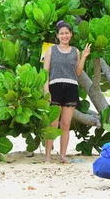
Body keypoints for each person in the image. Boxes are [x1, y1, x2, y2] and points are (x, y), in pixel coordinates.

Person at [43, 20, 91, 163]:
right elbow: (45, 72)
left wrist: (83, 57)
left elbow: (77, 71)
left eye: (67, 33)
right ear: (57, 35)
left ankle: (62, 156)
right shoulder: (50, 50)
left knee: (65, 124)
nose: (64, 36)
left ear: (71, 34)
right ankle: (48, 157)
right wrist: (46, 91)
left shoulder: (75, 51)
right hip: (55, 87)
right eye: (62, 33)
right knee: (52, 124)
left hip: (71, 88)